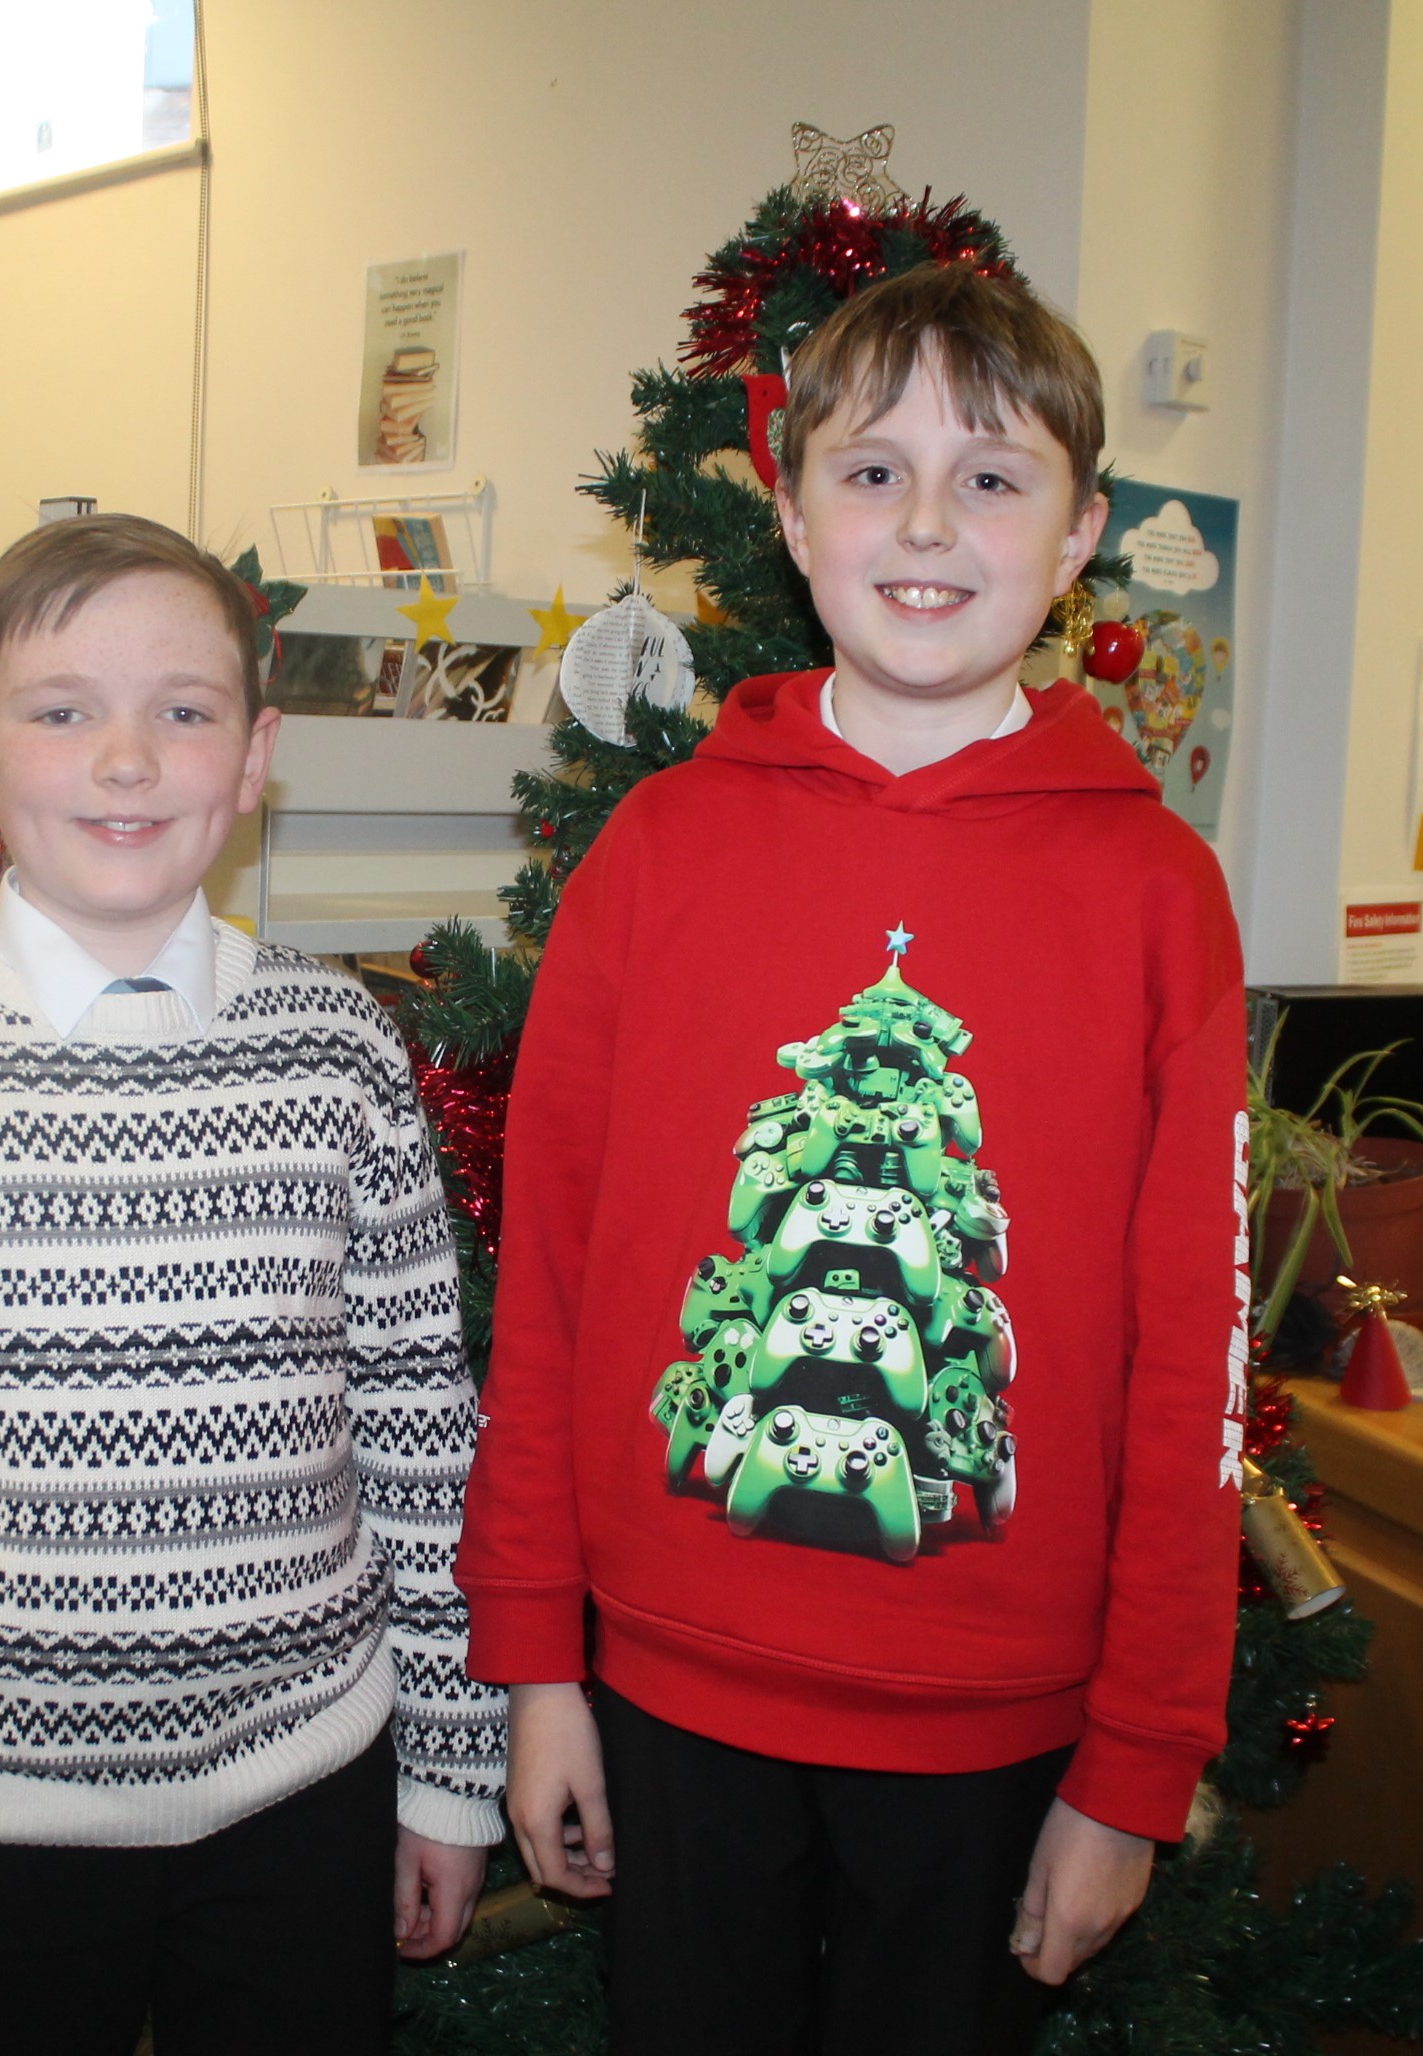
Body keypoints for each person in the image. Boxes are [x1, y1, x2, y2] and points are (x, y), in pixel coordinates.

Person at [458, 262, 1247, 2055]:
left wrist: (1137, 1761)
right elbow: (557, 1288)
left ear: (1080, 537)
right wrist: (535, 1662)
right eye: (874, 470)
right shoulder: (656, 851)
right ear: (794, 513)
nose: (929, 524)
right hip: (667, 1700)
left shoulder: (1153, 896)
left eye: (995, 476)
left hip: (997, 1734)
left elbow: (1190, 1358)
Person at [0, 513, 506, 2055]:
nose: (126, 761)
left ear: (255, 756)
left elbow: (418, 1441)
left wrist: (454, 1768)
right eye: (62, 711)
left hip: (304, 1793)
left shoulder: (340, 1053)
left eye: (183, 712)